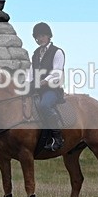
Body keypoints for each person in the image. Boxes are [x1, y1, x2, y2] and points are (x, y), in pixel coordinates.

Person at [29, 22, 65, 151]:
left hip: (52, 90)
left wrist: (43, 82)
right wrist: (28, 84)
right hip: (37, 89)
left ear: (49, 36)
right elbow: (31, 73)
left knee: (44, 105)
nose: (39, 39)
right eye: (37, 37)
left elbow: (57, 72)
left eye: (42, 35)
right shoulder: (35, 54)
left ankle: (58, 137)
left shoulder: (57, 52)